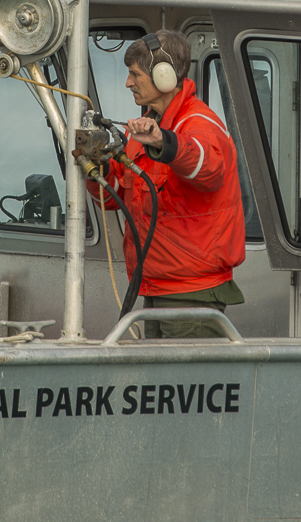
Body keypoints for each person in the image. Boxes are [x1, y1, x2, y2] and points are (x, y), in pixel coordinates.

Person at [95, 30, 246, 337]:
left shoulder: (198, 123)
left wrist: (165, 143)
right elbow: (115, 197)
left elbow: (208, 168)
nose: (128, 83)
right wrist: (95, 166)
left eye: (135, 74)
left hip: (192, 297)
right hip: (155, 290)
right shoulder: (148, 130)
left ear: (164, 76)